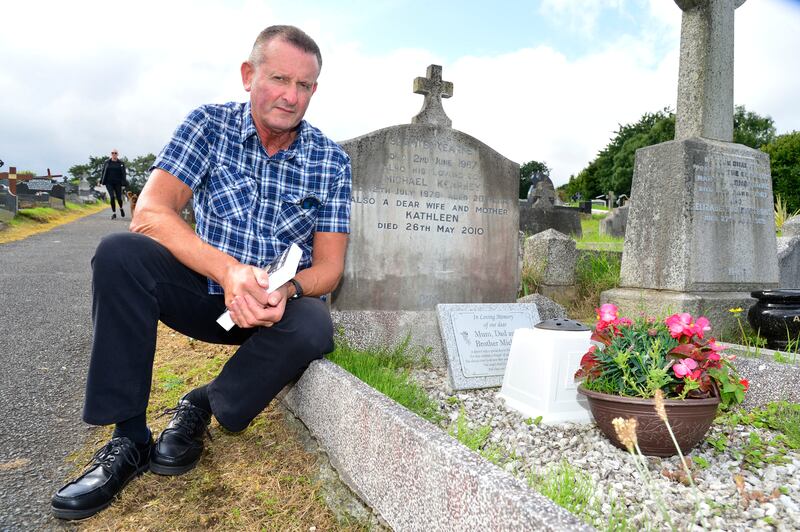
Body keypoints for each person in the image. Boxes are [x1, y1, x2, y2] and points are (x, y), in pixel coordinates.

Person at [51, 25, 351, 520]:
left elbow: (331, 268)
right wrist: (229, 272)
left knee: (316, 323)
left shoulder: (331, 160)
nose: (291, 96)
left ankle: (205, 403)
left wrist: (289, 288)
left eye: (305, 86)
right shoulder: (208, 125)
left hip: (266, 312)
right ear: (248, 75)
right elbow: (150, 212)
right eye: (279, 78)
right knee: (119, 254)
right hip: (202, 291)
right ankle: (128, 439)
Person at [100, 149, 127, 219]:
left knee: (119, 198)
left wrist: (124, 183)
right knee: (112, 197)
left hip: (118, 183)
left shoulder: (121, 163)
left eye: (115, 153)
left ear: (117, 154)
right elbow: (103, 172)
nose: (114, 154)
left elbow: (124, 174)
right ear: (111, 154)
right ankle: (114, 213)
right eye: (112, 153)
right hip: (109, 183)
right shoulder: (107, 162)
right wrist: (101, 181)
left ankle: (121, 208)